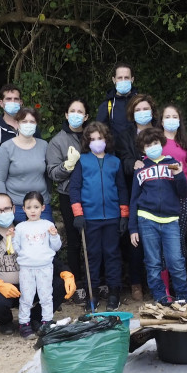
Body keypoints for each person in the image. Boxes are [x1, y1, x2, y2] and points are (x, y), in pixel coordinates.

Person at [0, 194, 73, 334]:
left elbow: (47, 256)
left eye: (6, 209)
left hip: (34, 283)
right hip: (5, 290)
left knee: (60, 284)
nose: (3, 213)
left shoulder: (26, 228)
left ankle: (37, 318)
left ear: (13, 209)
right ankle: (6, 322)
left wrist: (65, 271)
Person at [69, 122, 128, 310]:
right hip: (90, 218)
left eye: (100, 138)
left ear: (106, 139)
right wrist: (78, 214)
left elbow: (122, 188)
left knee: (112, 256)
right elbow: (75, 188)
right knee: (92, 256)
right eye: (92, 139)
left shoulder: (115, 161)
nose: (97, 142)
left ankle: (113, 293)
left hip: (112, 217)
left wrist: (124, 215)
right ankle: (91, 294)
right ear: (87, 142)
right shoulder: (82, 161)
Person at [129, 128, 187, 306]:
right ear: (143, 149)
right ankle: (160, 298)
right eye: (148, 145)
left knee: (176, 261)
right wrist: (133, 228)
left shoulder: (172, 163)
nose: (153, 147)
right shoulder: (140, 167)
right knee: (153, 262)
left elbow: (184, 192)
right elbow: (134, 199)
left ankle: (182, 298)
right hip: (147, 219)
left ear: (161, 144)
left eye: (155, 143)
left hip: (171, 219)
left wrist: (179, 175)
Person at [115, 93, 160, 301]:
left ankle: (160, 283)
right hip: (135, 190)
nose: (142, 113)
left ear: (152, 111)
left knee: (160, 240)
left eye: (146, 109)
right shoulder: (125, 135)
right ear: (132, 114)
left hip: (160, 191)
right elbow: (122, 159)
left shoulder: (161, 131)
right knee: (135, 239)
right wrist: (132, 164)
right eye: (138, 110)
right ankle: (135, 283)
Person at [46, 98, 88, 303]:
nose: (76, 114)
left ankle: (96, 282)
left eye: (80, 111)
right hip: (68, 195)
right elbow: (53, 174)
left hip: (92, 195)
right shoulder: (57, 141)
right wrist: (68, 165)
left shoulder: (93, 135)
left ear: (86, 116)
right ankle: (76, 283)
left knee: (95, 239)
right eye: (72, 110)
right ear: (66, 114)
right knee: (73, 241)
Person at [14, 191, 63, 337]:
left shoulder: (48, 225)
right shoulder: (20, 227)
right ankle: (24, 323)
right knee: (26, 297)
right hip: (26, 268)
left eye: (36, 207)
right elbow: (16, 248)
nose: (32, 210)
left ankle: (47, 322)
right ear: (23, 209)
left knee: (46, 296)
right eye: (29, 207)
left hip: (45, 267)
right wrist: (12, 238)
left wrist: (54, 236)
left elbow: (56, 247)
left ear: (42, 207)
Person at [0, 107, 52, 223]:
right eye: (24, 121)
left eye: (32, 122)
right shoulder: (6, 147)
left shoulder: (44, 146)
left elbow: (49, 174)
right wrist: (4, 206)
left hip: (41, 205)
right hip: (16, 206)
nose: (28, 125)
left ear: (36, 124)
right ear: (17, 123)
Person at [161, 103, 187, 267]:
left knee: (179, 238)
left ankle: (180, 281)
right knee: (163, 241)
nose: (171, 120)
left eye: (175, 117)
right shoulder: (156, 143)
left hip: (183, 196)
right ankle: (165, 286)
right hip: (162, 197)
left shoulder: (185, 142)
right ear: (161, 121)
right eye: (167, 117)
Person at [96, 61, 139, 138]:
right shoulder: (106, 106)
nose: (123, 80)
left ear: (132, 79)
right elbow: (99, 133)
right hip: (115, 149)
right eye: (120, 78)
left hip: (138, 148)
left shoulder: (141, 102)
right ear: (114, 80)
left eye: (126, 78)